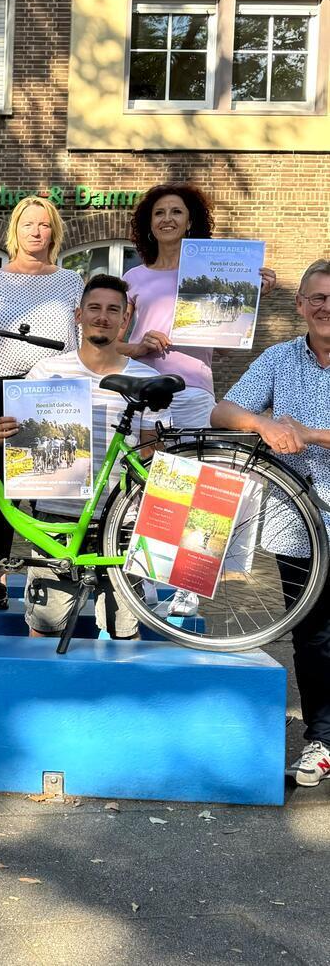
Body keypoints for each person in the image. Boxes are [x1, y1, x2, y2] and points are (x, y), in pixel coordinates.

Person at [117, 183, 278, 617]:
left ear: (191, 222)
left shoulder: (212, 271)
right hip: (144, 390)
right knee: (146, 486)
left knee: (196, 489)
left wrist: (249, 293)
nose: (167, 219)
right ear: (148, 224)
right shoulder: (134, 278)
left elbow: (221, 346)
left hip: (192, 389)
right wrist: (142, 346)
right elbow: (117, 344)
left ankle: (188, 585)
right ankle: (145, 581)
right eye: (159, 213)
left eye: (176, 212)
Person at [0, 275, 169, 640]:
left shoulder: (147, 380)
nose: (103, 316)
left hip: (122, 523)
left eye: (113, 310)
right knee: (44, 629)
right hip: (57, 518)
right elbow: (23, 444)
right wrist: (3, 435)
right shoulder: (45, 372)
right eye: (95, 308)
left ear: (125, 320)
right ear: (78, 315)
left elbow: (155, 458)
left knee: (125, 635)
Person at [212, 259, 330, 788]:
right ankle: (322, 740)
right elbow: (223, 410)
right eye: (316, 298)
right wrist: (259, 421)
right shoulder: (280, 359)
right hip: (297, 523)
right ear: (300, 305)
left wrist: (308, 433)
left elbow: (307, 433)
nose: (325, 307)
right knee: (313, 635)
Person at [0, 196, 83, 611]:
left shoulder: (71, 282)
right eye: (28, 223)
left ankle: (51, 575)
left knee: (53, 491)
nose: (36, 231)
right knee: (2, 492)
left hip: (56, 395)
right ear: (15, 230)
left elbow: (81, 345)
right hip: (4, 393)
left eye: (44, 224)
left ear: (54, 231)